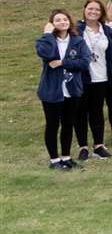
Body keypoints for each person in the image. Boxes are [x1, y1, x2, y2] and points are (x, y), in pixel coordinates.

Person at [38, 9, 90, 170]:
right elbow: (45, 53)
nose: (62, 22)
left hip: (72, 89)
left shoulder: (78, 41)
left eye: (65, 19)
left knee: (68, 123)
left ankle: (66, 157)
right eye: (58, 20)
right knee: (53, 125)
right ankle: (54, 160)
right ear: (52, 23)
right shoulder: (45, 40)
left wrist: (62, 63)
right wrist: (47, 34)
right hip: (52, 90)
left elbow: (84, 62)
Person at [77, 0, 112, 160]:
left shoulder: (107, 31)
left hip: (101, 77)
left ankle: (99, 145)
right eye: (90, 9)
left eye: (97, 10)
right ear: (84, 9)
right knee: (80, 112)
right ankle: (83, 147)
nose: (93, 12)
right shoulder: (76, 29)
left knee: (97, 112)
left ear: (102, 13)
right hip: (82, 78)